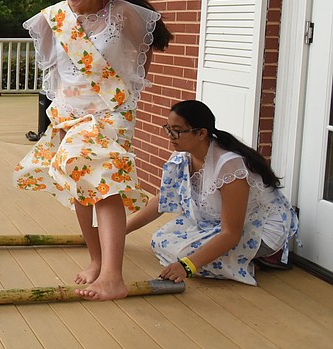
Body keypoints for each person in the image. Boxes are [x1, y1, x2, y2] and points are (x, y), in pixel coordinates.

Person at [13, 0, 172, 300]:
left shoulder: (124, 14)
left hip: (111, 112)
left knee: (94, 171)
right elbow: (55, 71)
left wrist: (127, 92)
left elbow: (144, 54)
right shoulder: (52, 18)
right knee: (82, 185)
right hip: (70, 113)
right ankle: (98, 263)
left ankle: (114, 277)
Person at [126, 100, 299, 285]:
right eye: (168, 129)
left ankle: (266, 257)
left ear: (201, 133)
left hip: (260, 228)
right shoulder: (181, 156)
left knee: (186, 255)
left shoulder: (229, 166)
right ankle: (233, 259)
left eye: (177, 130)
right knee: (160, 240)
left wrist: (187, 266)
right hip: (217, 221)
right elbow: (161, 201)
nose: (171, 136)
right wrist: (121, 232)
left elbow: (231, 232)